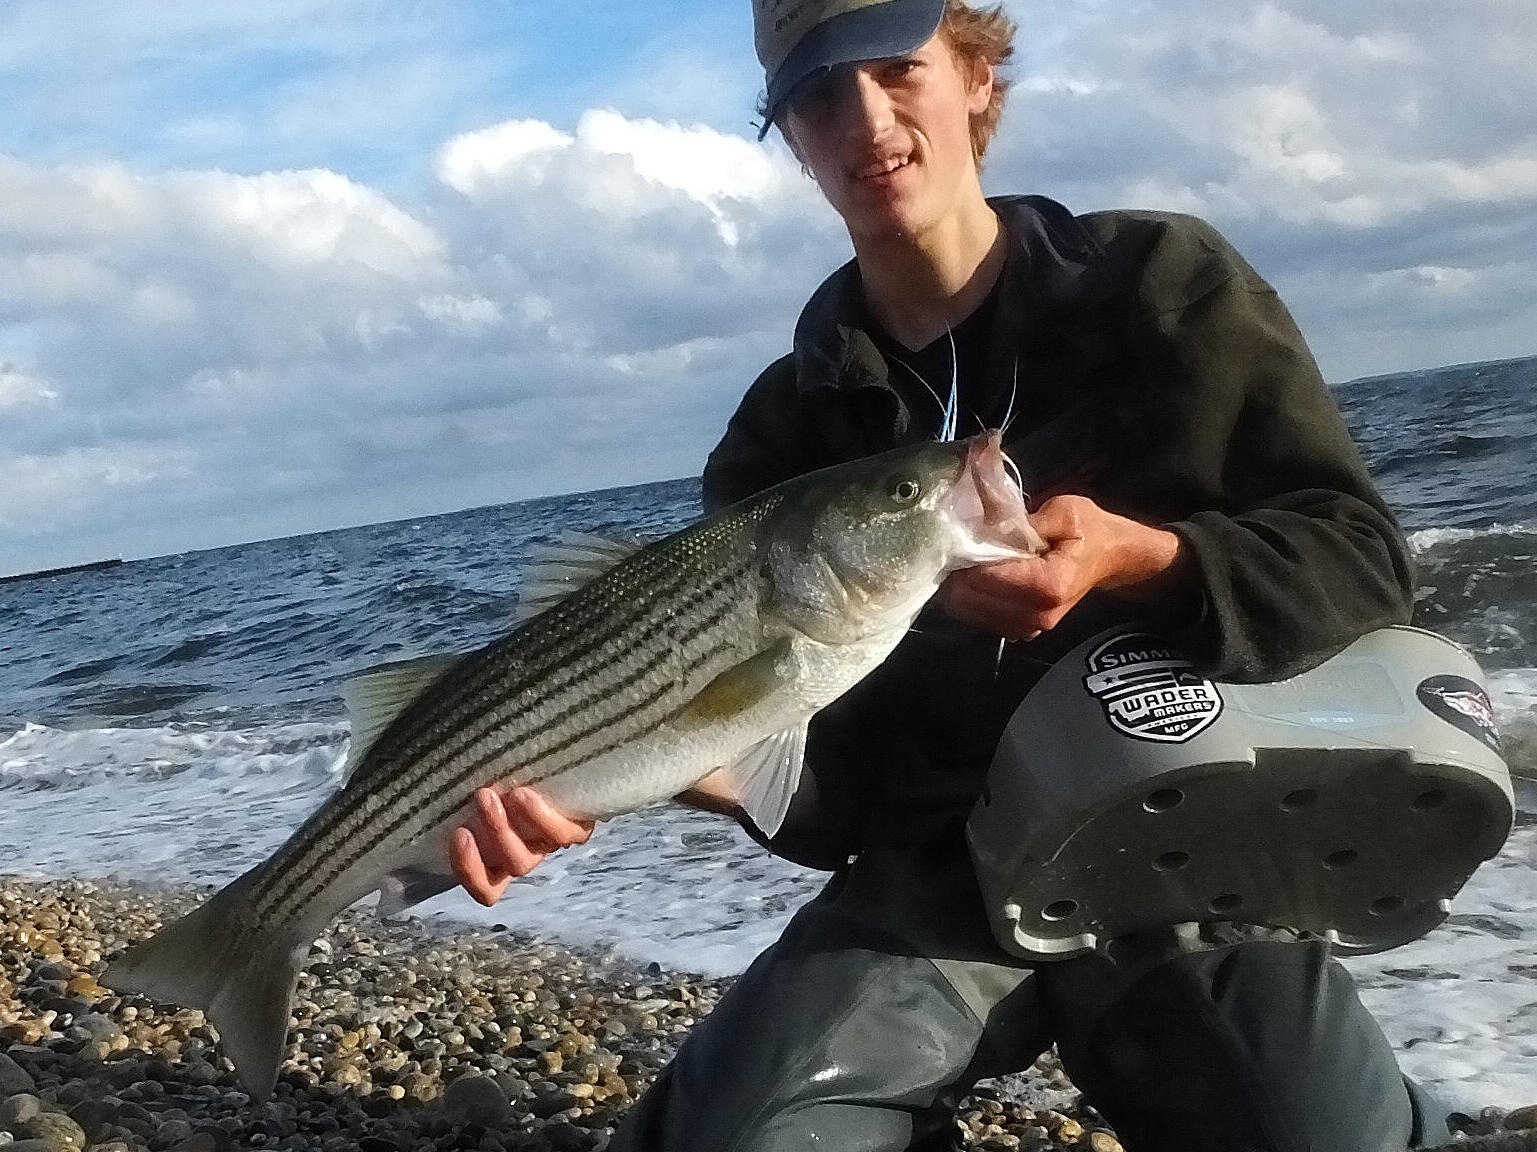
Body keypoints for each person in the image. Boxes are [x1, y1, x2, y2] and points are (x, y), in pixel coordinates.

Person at [450, 2, 1450, 1148]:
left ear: (976, 78)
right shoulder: (784, 433)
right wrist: (673, 761)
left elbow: (1360, 561)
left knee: (1318, 1136)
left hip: (1181, 825)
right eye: (819, 94)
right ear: (790, 133)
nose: (865, 119)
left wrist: (1148, 558)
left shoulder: (1161, 286)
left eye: (897, 70)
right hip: (940, 870)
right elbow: (833, 792)